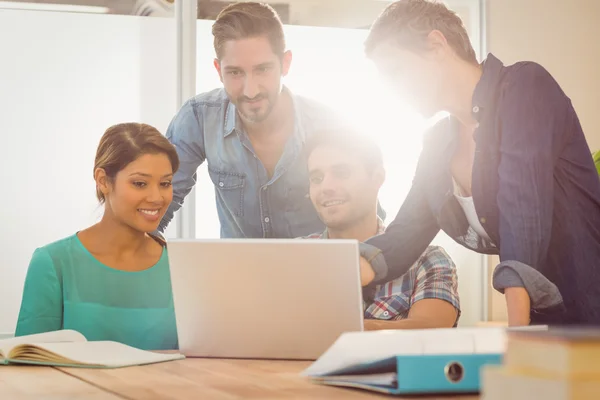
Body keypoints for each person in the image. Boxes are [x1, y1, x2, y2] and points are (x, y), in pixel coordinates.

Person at [356, 0, 600, 326]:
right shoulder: (438, 143)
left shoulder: (525, 86)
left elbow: (522, 211)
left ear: (436, 44)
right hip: (550, 326)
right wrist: (333, 277)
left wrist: (517, 338)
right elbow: (402, 238)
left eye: (396, 71)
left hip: (590, 312)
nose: (392, 89)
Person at [158, 2, 381, 239]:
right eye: (235, 72)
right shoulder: (199, 117)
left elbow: (366, 217)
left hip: (318, 271)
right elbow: (157, 201)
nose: (250, 91)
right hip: (238, 271)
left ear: (285, 63)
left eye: (262, 69)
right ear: (217, 69)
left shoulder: (330, 126)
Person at [15, 123, 179, 350]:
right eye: (139, 183)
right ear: (103, 180)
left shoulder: (181, 266)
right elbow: (27, 365)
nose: (156, 197)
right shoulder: (53, 264)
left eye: (165, 183)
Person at [304, 130, 460, 329]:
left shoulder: (428, 260)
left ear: (377, 178)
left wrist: (336, 330)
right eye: (316, 178)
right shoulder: (291, 258)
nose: (326, 187)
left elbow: (430, 332)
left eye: (341, 173)